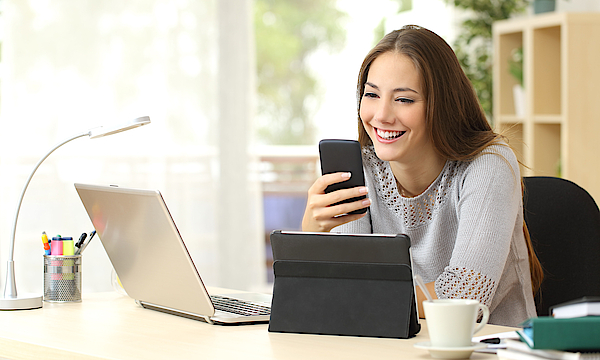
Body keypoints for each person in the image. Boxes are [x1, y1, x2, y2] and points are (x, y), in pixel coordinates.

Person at [301, 25, 542, 327]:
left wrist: (365, 294)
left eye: (404, 99)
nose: (382, 115)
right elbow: (346, 280)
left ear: (442, 105)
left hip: (485, 348)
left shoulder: (487, 165)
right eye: (372, 94)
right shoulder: (361, 168)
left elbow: (466, 298)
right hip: (390, 347)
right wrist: (312, 231)